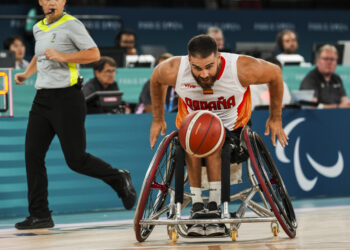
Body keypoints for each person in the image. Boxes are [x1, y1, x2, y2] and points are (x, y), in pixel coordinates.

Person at [13, 0, 136, 230]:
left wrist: (62, 56)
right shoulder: (38, 27)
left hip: (67, 99)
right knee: (32, 155)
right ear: (40, 2)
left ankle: (118, 178)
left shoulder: (72, 25)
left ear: (63, 2)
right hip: (42, 99)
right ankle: (40, 214)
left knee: (76, 160)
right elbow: (39, 56)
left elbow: (94, 54)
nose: (52, 2)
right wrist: (27, 74)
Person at [149, 35, 288, 236]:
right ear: (189, 61)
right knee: (193, 143)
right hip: (193, 129)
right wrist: (157, 119)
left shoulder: (240, 68)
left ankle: (214, 204)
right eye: (197, 68)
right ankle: (197, 206)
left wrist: (275, 117)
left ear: (219, 58)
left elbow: (275, 74)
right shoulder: (174, 70)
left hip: (232, 129)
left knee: (214, 144)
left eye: (209, 66)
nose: (204, 74)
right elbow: (156, 79)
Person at [300, 44, 350, 108]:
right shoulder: (310, 79)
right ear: (317, 61)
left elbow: (345, 101)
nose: (329, 62)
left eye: (332, 59)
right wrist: (338, 106)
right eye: (326, 59)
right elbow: (312, 106)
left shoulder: (337, 79)